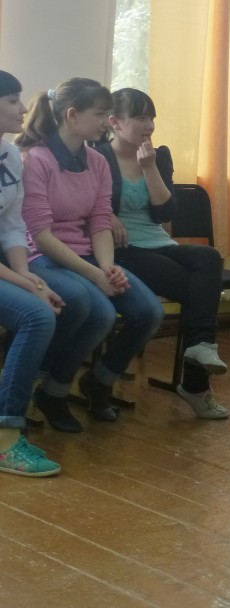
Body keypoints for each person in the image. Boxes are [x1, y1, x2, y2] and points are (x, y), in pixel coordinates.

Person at [17, 77, 164, 428]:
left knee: (149, 312)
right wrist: (96, 275)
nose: (105, 122)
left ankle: (99, 381)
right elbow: (40, 235)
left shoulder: (97, 162)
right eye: (99, 114)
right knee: (96, 311)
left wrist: (108, 267)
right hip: (42, 256)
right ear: (72, 115)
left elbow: (100, 221)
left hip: (86, 255)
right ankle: (50, 391)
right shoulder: (36, 159)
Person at [95, 87, 229, 419]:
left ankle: (202, 347)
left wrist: (150, 168)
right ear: (114, 122)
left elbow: (166, 212)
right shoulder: (97, 156)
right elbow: (83, 204)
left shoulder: (159, 156)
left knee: (208, 257)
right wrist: (106, 215)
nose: (149, 125)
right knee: (199, 292)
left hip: (159, 242)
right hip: (121, 249)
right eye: (140, 117)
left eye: (152, 118)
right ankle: (196, 387)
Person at [0, 70, 63, 476]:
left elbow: (11, 226)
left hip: (7, 264)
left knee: (44, 307)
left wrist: (30, 276)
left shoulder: (10, 156)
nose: (23, 108)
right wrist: (26, 283)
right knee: (37, 315)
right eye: (12, 101)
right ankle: (6, 440)